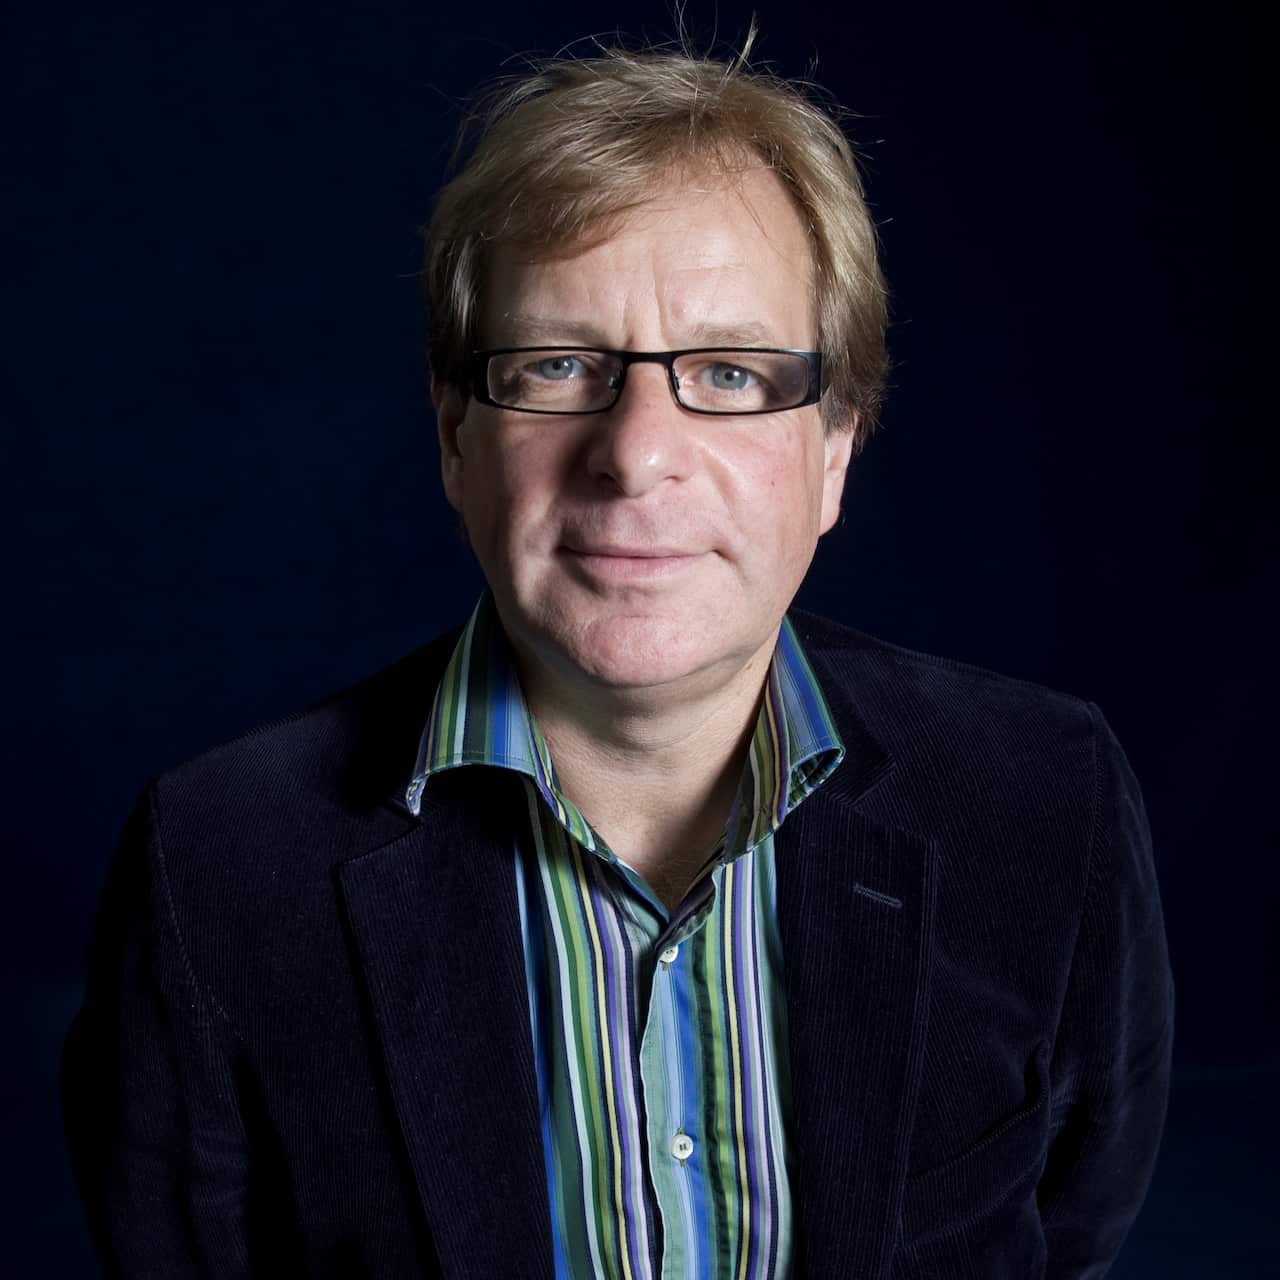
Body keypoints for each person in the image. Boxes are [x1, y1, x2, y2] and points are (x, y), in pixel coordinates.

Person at [60, 34, 1174, 1280]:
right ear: (453, 438)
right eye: (556, 366)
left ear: (835, 450)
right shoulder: (218, 863)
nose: (636, 452)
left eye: (731, 372)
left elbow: (1068, 1223)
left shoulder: (1042, 799)